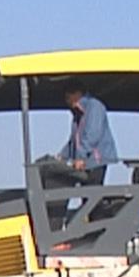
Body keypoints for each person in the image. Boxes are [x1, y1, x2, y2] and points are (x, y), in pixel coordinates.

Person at [35, 84, 116, 224]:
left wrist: (81, 157)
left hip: (96, 160)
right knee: (86, 198)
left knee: (92, 198)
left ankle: (98, 227)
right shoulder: (78, 114)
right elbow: (74, 141)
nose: (67, 101)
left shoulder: (94, 107)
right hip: (85, 162)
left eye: (68, 97)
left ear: (77, 94)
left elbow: (92, 135)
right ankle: (86, 226)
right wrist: (61, 156)